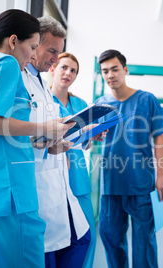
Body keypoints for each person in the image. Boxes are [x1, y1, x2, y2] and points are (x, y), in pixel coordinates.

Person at [0, 9, 74, 267]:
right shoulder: (5, 63)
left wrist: (43, 141)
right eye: (32, 47)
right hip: (8, 192)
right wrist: (42, 128)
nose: (32, 55)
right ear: (14, 41)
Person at [22, 17, 91, 268]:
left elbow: (49, 134)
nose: (55, 60)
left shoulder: (39, 82)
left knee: (81, 240)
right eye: (52, 52)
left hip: (61, 176)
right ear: (33, 42)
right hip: (38, 184)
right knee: (52, 251)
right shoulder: (20, 79)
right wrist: (47, 137)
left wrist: (57, 143)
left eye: (58, 53)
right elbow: (0, 128)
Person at [95, 49, 163, 268]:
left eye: (115, 69)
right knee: (110, 237)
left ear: (125, 70)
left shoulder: (147, 100)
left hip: (141, 183)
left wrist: (162, 175)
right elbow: (92, 137)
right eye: (105, 71)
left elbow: (159, 138)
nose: (110, 75)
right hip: (111, 184)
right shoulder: (101, 103)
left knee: (143, 241)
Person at [50, 52, 104, 268]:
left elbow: (84, 143)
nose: (68, 73)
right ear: (53, 68)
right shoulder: (42, 99)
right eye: (64, 67)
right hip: (52, 175)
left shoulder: (80, 103)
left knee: (86, 236)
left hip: (78, 176)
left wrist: (92, 135)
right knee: (56, 240)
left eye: (73, 70)